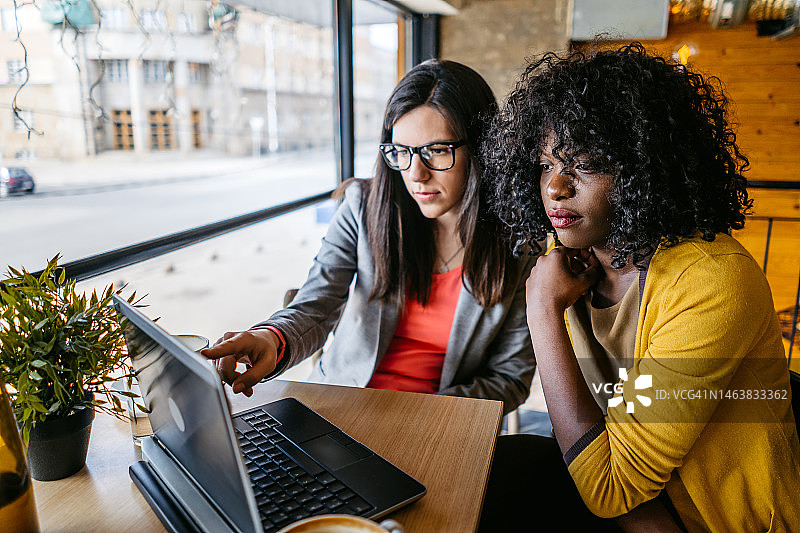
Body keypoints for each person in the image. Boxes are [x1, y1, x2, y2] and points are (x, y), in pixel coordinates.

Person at [479, 43, 800, 531]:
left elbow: (610, 488)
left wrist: (542, 313)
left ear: (645, 167)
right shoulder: (574, 253)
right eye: (545, 164)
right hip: (638, 503)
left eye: (584, 164)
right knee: (498, 471)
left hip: (718, 523)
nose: (555, 188)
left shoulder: (711, 281)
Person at [202, 59, 535, 415]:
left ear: (484, 147)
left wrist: (426, 414)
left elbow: (509, 378)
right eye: (402, 151)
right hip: (339, 404)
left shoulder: (517, 242)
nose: (416, 174)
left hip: (437, 422)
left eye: (437, 150)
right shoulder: (363, 207)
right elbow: (317, 305)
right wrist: (271, 338)